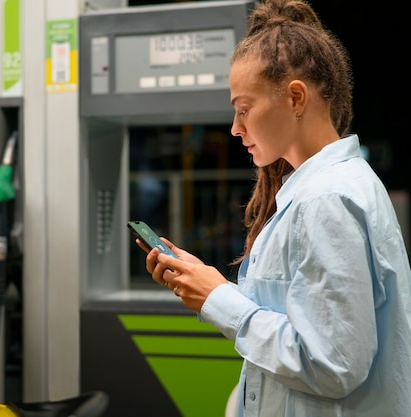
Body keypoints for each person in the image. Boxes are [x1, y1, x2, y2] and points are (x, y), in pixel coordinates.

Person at [139, 0, 411, 415]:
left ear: (296, 97)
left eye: (243, 109)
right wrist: (210, 286)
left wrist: (218, 299)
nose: (235, 128)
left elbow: (332, 365)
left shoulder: (327, 200)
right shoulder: (323, 191)